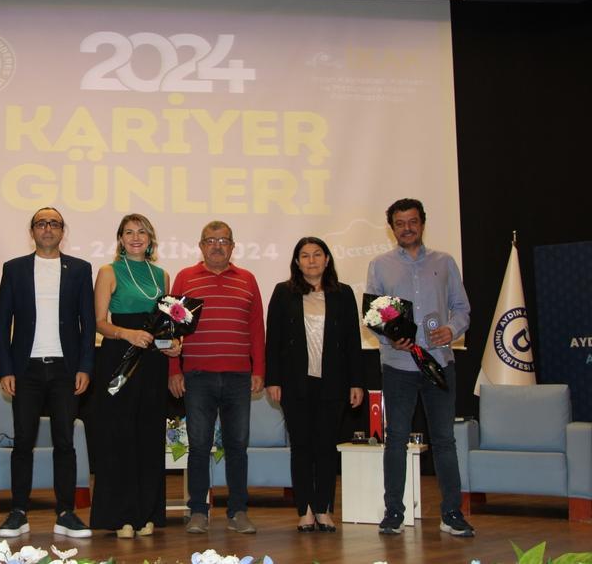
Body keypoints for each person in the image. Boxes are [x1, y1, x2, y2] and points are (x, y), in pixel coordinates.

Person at [366, 198, 474, 537]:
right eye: (400, 223)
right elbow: (373, 315)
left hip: (439, 363)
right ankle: (393, 514)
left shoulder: (445, 262)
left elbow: (462, 309)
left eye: (412, 221)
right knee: (396, 439)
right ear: (392, 228)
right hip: (398, 365)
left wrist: (452, 330)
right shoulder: (379, 266)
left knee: (444, 440)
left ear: (422, 223)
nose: (407, 228)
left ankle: (452, 513)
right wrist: (389, 338)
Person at [0, 207, 95, 539]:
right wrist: (5, 369)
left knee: (65, 441)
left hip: (66, 369)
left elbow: (88, 323)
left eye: (54, 223)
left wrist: (85, 366)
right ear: (32, 231)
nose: (48, 228)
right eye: (41, 223)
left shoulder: (80, 269)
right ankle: (18, 512)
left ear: (62, 231)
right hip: (26, 369)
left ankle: (66, 513)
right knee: (23, 441)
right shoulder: (14, 269)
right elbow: (2, 324)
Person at [168, 221, 265, 534]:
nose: (217, 246)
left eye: (223, 240)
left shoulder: (248, 279)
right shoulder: (185, 278)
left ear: (233, 246)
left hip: (239, 376)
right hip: (197, 376)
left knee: (237, 446)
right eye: (210, 240)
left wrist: (259, 370)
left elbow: (256, 328)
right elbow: (172, 329)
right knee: (199, 446)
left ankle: (238, 511)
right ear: (201, 246)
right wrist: (174, 370)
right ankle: (198, 511)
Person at [265, 236, 364, 532]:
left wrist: (356, 382)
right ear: (297, 262)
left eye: (317, 254)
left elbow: (353, 342)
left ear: (327, 259)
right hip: (294, 383)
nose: (311, 260)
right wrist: (273, 380)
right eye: (305, 256)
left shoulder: (343, 293)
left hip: (333, 383)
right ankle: (305, 510)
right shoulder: (283, 292)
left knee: (325, 447)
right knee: (301, 447)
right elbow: (273, 340)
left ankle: (323, 508)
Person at [90, 214, 180, 538]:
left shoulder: (162, 275)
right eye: (128, 232)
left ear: (150, 238)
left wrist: (173, 346)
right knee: (119, 435)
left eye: (141, 232)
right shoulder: (108, 271)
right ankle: (122, 516)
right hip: (118, 359)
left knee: (149, 436)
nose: (135, 237)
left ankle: (147, 514)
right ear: (120, 239)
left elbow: (164, 326)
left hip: (153, 362)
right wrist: (127, 334)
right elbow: (99, 322)